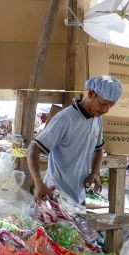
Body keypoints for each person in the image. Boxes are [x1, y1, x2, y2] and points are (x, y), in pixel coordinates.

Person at [27, 75, 123, 207]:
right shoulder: (65, 119)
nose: (105, 110)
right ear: (90, 94)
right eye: (103, 104)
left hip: (79, 196)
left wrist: (95, 172)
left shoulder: (97, 118)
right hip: (55, 194)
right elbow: (34, 147)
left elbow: (98, 149)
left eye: (110, 106)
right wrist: (38, 183)